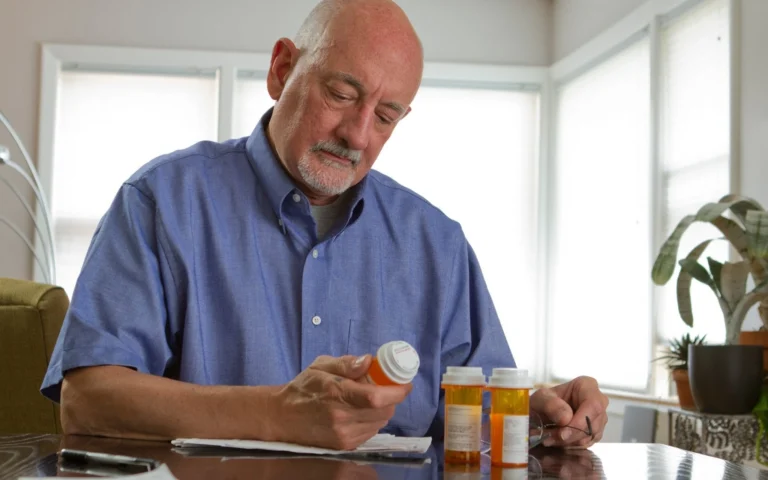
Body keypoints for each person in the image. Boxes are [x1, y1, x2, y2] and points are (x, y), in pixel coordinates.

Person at [40, 0, 608, 450]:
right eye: (341, 94)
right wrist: (274, 414)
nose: (358, 135)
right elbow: (87, 400)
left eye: (386, 117)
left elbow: (476, 413)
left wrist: (533, 412)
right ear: (282, 69)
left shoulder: (438, 244)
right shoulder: (162, 201)